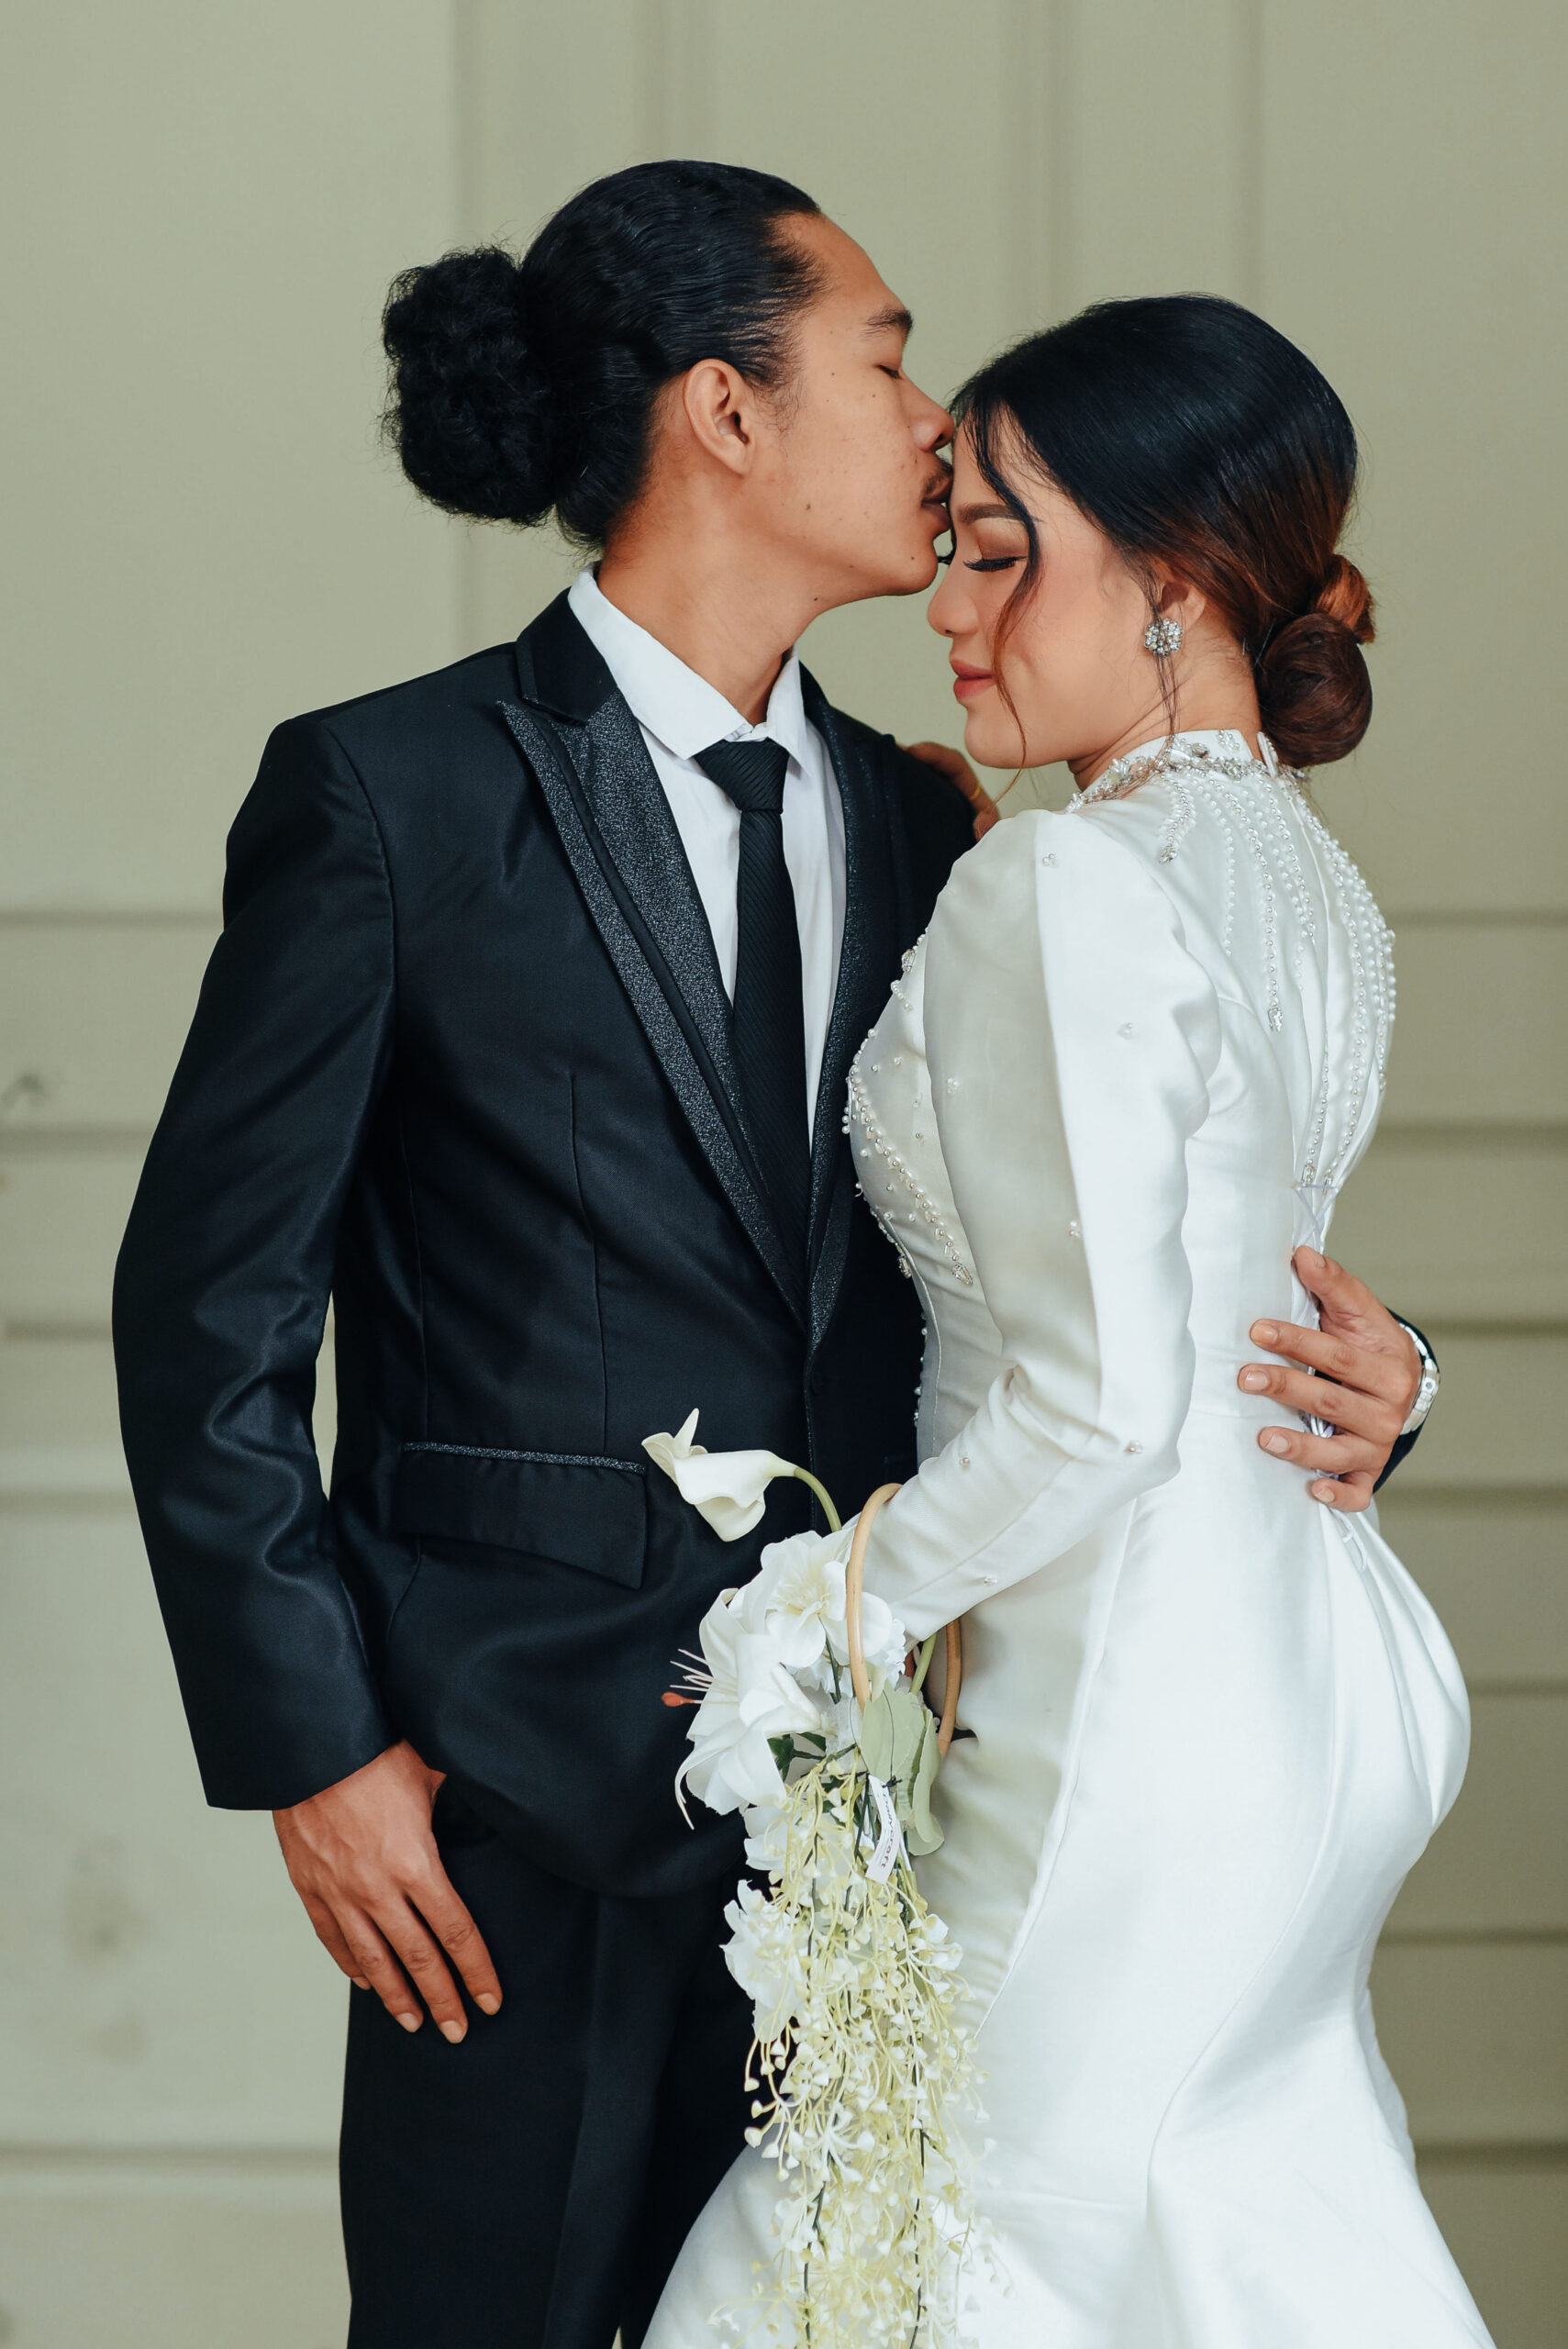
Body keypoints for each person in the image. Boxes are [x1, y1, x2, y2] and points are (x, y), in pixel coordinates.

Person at [111, 165, 1434, 2349]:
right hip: (504, 1794)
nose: (933, 421)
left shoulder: (945, 826)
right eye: (889, 358)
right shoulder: (391, 795)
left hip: (893, 1802)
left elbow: (1102, 1242)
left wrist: (1389, 1377)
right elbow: (208, 1317)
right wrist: (313, 1751)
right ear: (727, 410)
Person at [646, 295, 1485, 2349]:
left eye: (1002, 553)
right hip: (1318, 1670)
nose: (948, 607)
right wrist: (1413, 1383)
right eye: (952, 546)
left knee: (917, 2240)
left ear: (1175, 581)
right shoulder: (1304, 882)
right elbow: (1241, 1282)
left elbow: (1103, 1405)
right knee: (1198, 2234)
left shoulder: (1062, 884)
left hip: (1121, 1711)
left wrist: (820, 1612)